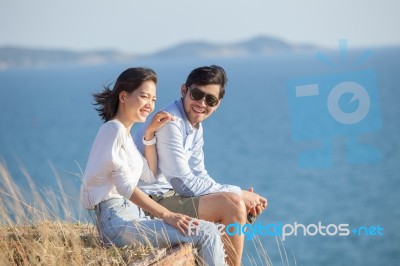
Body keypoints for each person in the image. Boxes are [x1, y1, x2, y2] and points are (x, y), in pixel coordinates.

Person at [80, 67, 226, 266]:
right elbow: (125, 188)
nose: (149, 105)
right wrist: (168, 215)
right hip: (116, 222)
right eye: (144, 97)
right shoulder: (112, 130)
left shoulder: (127, 137)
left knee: (209, 230)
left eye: (153, 99)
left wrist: (149, 135)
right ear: (123, 96)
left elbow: (149, 175)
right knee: (206, 232)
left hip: (133, 216)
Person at [134, 65, 267, 266]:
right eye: (197, 94)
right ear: (184, 90)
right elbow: (183, 183)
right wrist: (237, 195)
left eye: (210, 100)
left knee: (233, 203)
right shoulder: (171, 122)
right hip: (149, 201)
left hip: (168, 195)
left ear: (218, 104)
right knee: (232, 205)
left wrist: (234, 196)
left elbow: (199, 174)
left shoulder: (195, 125)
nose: (202, 104)